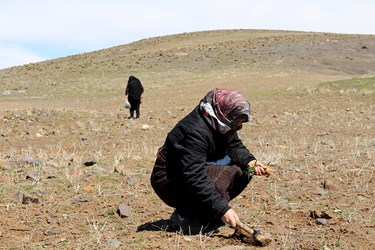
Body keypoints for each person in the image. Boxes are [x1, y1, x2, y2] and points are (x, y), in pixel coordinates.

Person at [150, 88, 270, 235]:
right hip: (169, 180)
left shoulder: (220, 122)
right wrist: (222, 209)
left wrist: (250, 161)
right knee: (226, 174)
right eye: (237, 122)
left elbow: (234, 145)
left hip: (189, 173)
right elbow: (194, 176)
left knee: (245, 169)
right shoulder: (194, 131)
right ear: (224, 114)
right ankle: (186, 215)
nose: (238, 127)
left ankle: (204, 211)